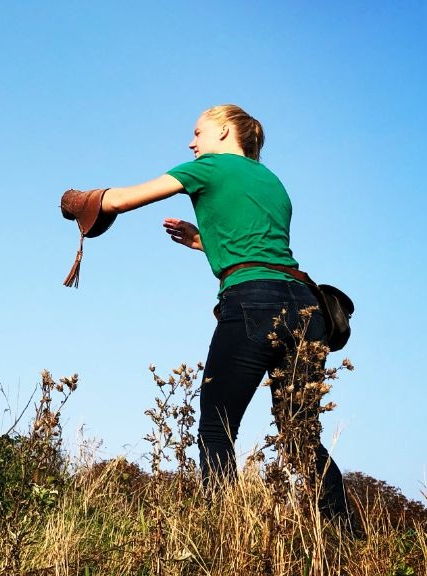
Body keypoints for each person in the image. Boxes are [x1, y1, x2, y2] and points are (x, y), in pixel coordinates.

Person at [62, 104, 353, 526]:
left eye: (198, 132)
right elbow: (256, 248)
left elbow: (122, 200)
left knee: (216, 428)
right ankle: (341, 537)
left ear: (222, 132)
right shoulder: (273, 182)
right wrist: (204, 243)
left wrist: (79, 202)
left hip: (253, 301)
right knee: (302, 439)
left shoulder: (209, 167)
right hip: (307, 307)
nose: (191, 141)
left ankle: (221, 536)